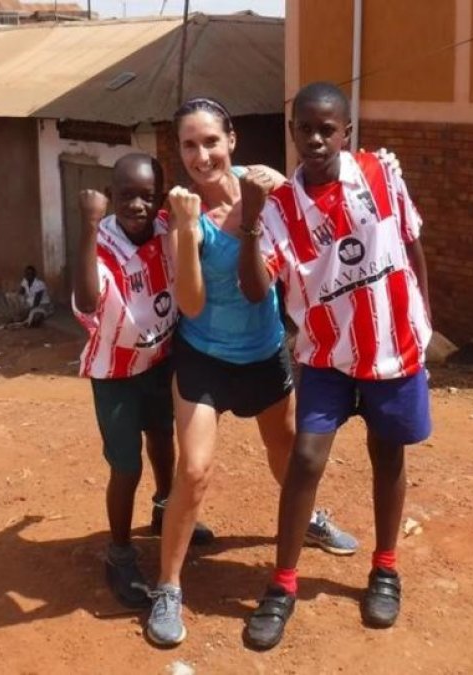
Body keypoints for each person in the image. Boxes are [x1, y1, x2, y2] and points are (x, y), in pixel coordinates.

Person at [145, 97, 358, 648]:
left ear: (232, 141)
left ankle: (307, 518)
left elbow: (329, 205)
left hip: (264, 351)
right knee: (194, 471)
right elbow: (189, 303)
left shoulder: (266, 186)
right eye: (189, 145)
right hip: (204, 356)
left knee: (287, 455)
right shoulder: (178, 213)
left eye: (211, 141)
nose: (201, 155)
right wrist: (189, 231)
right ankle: (167, 586)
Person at [237, 82, 433, 650]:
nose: (316, 139)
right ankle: (282, 584)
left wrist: (426, 322)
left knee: (387, 452)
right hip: (325, 354)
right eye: (305, 128)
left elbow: (413, 244)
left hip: (393, 347)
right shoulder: (279, 208)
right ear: (293, 132)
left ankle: (385, 569)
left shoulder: (380, 174)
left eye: (328, 128)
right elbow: (254, 289)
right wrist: (251, 219)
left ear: (346, 132)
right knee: (304, 457)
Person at [72, 153, 214, 610]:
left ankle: (164, 510)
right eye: (127, 196)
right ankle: (118, 553)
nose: (138, 205)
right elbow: (89, 301)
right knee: (125, 466)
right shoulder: (103, 241)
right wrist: (90, 227)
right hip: (114, 373)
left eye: (147, 196)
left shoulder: (162, 231)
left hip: (158, 359)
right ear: (111, 197)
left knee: (162, 439)